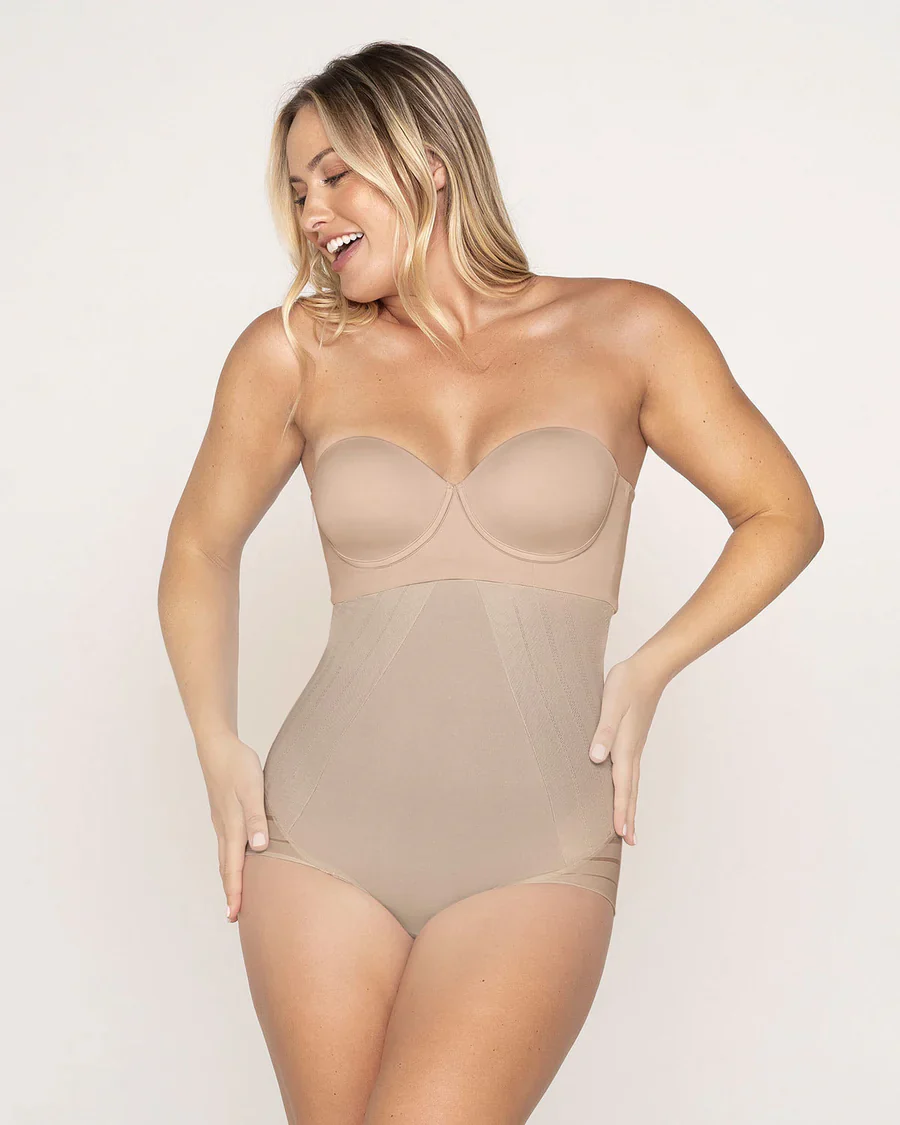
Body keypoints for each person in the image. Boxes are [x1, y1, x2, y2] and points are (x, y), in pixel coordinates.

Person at [157, 40, 824, 1125]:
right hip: (319, 838)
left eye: (335, 174)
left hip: (538, 849)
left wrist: (651, 666)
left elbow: (782, 515)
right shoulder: (293, 353)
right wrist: (214, 738)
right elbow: (197, 548)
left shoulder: (628, 330)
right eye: (296, 189)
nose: (313, 212)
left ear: (428, 161)